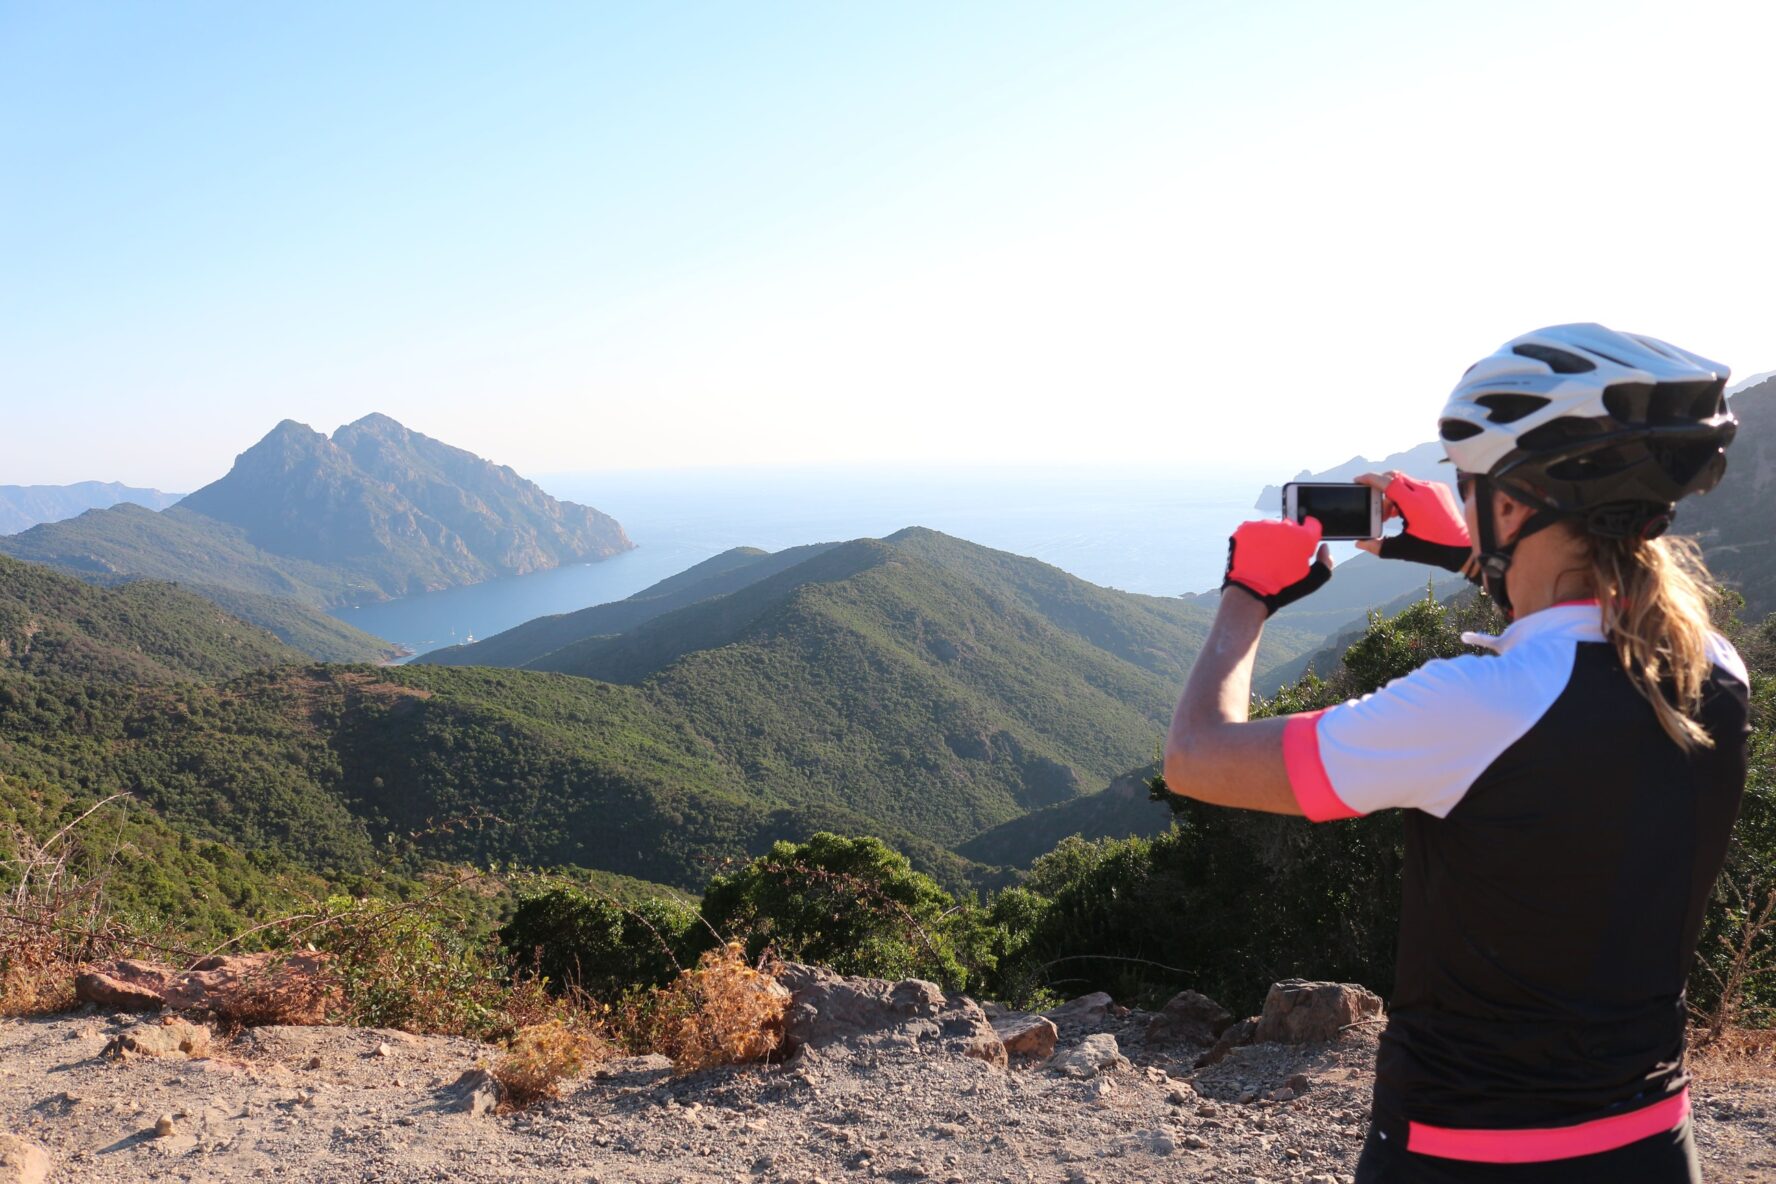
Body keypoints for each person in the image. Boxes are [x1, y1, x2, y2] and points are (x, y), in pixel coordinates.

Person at [1164, 323, 1751, 1183]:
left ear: (1511, 506)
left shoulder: (1474, 705)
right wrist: (1469, 552)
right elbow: (1577, 634)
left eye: (1472, 485)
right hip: (1650, 1142)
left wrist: (1247, 595)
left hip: (1462, 1154)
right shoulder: (1713, 669)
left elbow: (1195, 755)